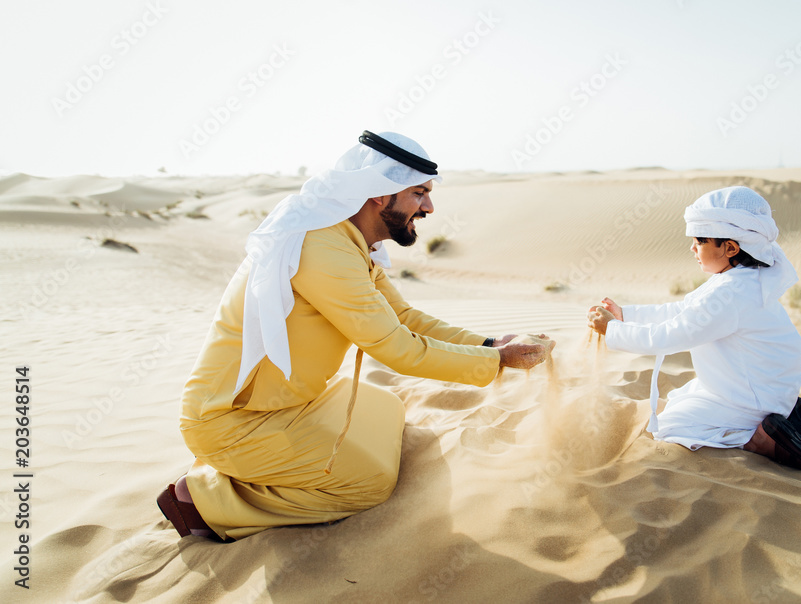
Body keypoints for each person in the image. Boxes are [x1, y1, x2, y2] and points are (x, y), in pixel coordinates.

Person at [158, 131, 552, 541]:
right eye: (419, 193)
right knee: (371, 483)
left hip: (294, 401)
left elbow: (404, 317)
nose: (429, 206)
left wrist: (489, 346)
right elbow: (397, 349)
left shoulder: (348, 242)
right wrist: (500, 362)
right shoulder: (322, 247)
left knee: (385, 408)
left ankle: (246, 472)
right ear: (379, 195)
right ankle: (203, 501)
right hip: (233, 418)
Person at [587, 186, 801, 471]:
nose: (692, 248)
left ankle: (762, 438)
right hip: (763, 386)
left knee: (670, 426)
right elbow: (682, 311)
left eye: (700, 240)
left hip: (751, 397)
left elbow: (670, 335)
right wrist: (625, 315)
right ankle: (784, 414)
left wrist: (612, 330)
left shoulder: (730, 295)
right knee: (681, 399)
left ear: (730, 248)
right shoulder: (740, 278)